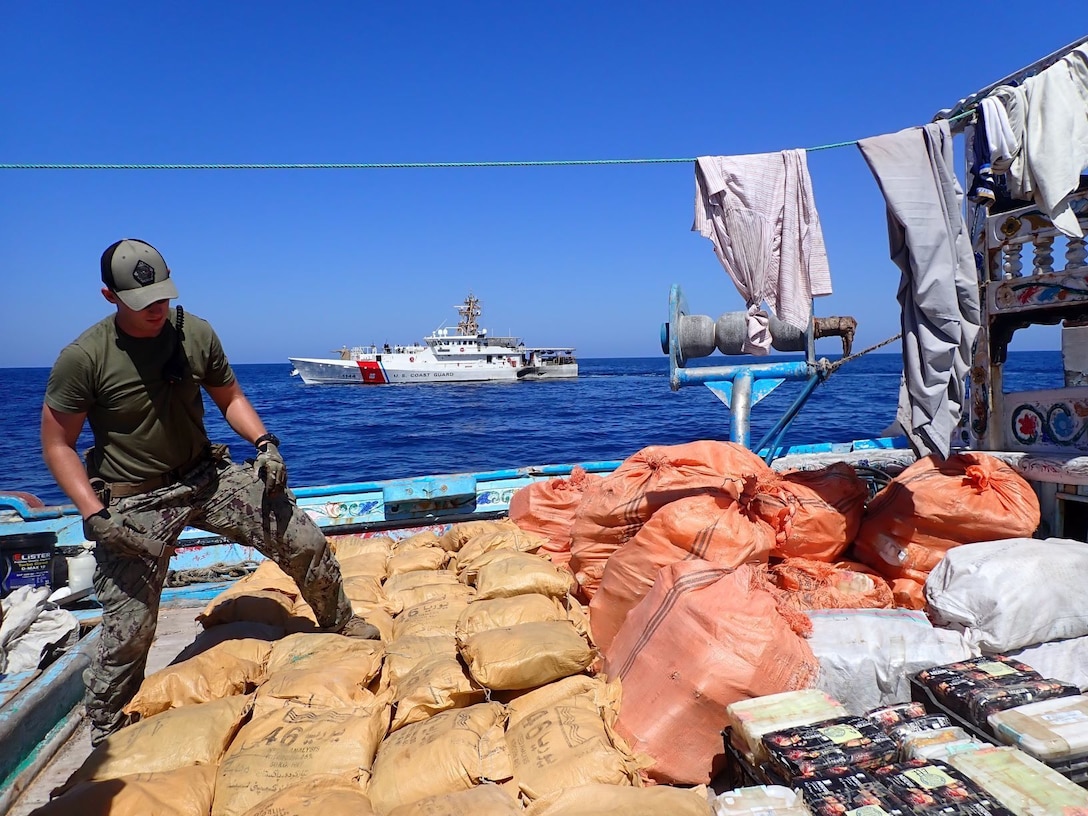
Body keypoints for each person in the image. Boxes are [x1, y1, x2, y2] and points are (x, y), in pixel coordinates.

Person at [40, 238, 378, 746]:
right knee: (130, 626)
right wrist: (94, 514)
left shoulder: (193, 333)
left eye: (163, 296)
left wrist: (264, 443)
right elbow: (57, 445)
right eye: (142, 301)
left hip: (206, 477)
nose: (157, 309)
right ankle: (107, 727)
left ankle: (340, 621)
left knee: (301, 538)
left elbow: (231, 397)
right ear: (109, 296)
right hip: (134, 502)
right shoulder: (84, 358)